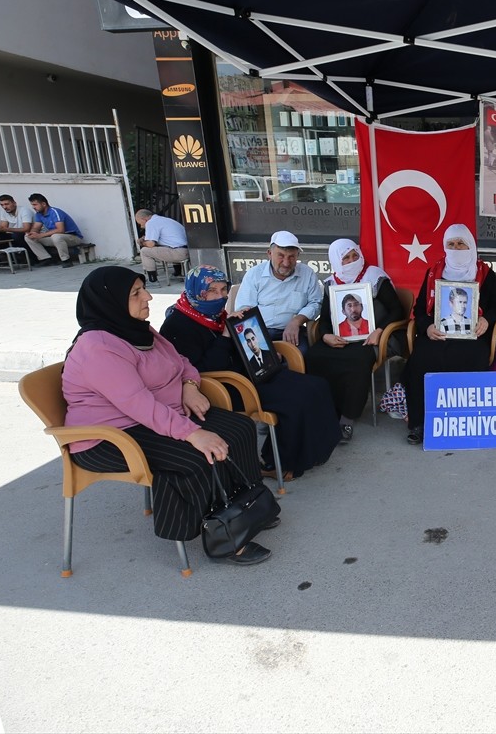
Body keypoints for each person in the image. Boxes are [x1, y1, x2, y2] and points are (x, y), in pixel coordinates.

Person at [61, 266, 275, 565]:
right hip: (109, 436)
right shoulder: (98, 348)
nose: (148, 297)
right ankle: (225, 538)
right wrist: (193, 433)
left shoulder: (138, 329)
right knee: (198, 455)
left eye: (143, 289)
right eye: (136, 293)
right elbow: (138, 405)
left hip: (156, 416)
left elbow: (181, 361)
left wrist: (189, 386)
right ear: (110, 302)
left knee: (239, 427)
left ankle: (247, 509)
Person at [159, 265, 338, 480]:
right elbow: (202, 370)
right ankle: (276, 462)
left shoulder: (215, 315)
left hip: (249, 373)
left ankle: (313, 452)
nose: (221, 296)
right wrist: (226, 335)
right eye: (212, 291)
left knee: (316, 386)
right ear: (197, 292)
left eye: (224, 290)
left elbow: (244, 345)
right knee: (294, 400)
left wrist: (268, 354)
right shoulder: (177, 325)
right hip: (225, 386)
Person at [402, 224, 496, 444]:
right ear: (444, 246)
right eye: (451, 244)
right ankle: (420, 423)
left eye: (461, 243)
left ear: (471, 245)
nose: (456, 248)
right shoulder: (434, 272)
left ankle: (467, 421)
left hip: (473, 335)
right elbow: (420, 309)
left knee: (471, 356)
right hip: (438, 333)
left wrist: (486, 320)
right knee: (420, 359)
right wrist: (427, 327)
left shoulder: (485, 273)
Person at [305, 239, 405, 443]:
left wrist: (379, 330)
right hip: (340, 337)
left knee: (357, 359)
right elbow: (324, 319)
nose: (351, 261)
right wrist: (325, 336)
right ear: (335, 261)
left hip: (373, 338)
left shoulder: (374, 276)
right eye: (345, 258)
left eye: (354, 256)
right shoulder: (331, 283)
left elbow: (397, 309)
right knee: (315, 356)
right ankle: (326, 411)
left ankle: (346, 419)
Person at [233, 230, 323, 352]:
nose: (286, 263)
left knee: (303, 356)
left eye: (291, 257)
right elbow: (244, 309)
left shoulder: (307, 274)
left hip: (292, 330)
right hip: (258, 332)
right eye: (280, 256)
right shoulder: (254, 274)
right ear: (269, 254)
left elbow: (315, 303)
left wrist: (296, 321)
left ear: (298, 256)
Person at [24, 192, 85, 267]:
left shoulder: (55, 212)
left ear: (43, 204)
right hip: (55, 238)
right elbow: (36, 227)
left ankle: (66, 260)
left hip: (72, 237)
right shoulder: (38, 214)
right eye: (32, 205)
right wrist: (32, 233)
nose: (33, 207)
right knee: (28, 237)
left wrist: (41, 235)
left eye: (35, 205)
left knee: (56, 236)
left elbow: (60, 230)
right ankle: (46, 259)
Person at [134, 208, 189, 284]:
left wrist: (141, 242)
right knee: (168, 246)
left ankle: (153, 281)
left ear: (144, 219)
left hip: (178, 253)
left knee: (144, 251)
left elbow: (150, 244)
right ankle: (177, 273)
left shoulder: (151, 222)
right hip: (187, 250)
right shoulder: (165, 220)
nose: (141, 226)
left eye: (140, 223)